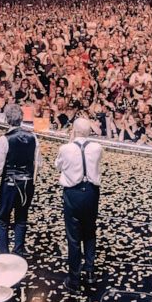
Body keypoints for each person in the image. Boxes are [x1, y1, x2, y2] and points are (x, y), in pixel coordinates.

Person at [0, 103, 39, 256]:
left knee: (2, 219)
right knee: (21, 218)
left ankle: (3, 251)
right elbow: (36, 162)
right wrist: (32, 182)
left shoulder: (4, 139)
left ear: (7, 119)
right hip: (26, 183)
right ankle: (18, 249)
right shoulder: (33, 137)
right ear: (21, 118)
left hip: (9, 184)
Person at [55, 117, 103, 291]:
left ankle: (74, 279)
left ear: (73, 131)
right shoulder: (97, 148)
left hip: (73, 194)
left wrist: (70, 141)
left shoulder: (65, 148)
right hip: (91, 193)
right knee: (90, 232)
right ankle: (90, 271)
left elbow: (57, 166)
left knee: (73, 237)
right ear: (89, 131)